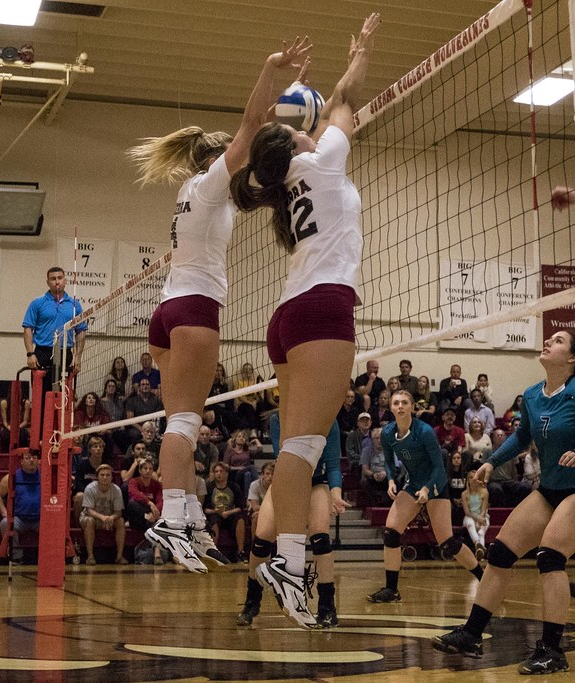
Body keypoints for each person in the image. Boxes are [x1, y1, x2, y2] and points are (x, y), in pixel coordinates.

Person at [127, 34, 313, 574]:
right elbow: (252, 123)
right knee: (183, 425)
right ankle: (173, 518)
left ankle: (191, 522)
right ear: (216, 159)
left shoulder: (194, 193)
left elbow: (255, 189)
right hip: (192, 310)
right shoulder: (211, 181)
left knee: (182, 420)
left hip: (168, 312)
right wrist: (270, 69)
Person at [228, 12, 380, 627]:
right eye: (300, 133)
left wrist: (300, 109)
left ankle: (286, 559)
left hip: (292, 313)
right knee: (303, 447)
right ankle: (291, 561)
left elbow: (322, 119)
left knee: (295, 445)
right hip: (319, 311)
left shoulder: (290, 184)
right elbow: (346, 101)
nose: (309, 134)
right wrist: (361, 53)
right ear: (295, 146)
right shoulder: (323, 161)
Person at [433, 331, 575, 674]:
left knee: (550, 556)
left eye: (557, 340)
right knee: (499, 553)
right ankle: (472, 634)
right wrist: (492, 461)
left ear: (572, 358)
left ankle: (552, 650)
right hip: (549, 490)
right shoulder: (532, 395)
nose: (548, 342)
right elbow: (522, 437)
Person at [367, 390, 483, 604]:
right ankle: (391, 589)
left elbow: (440, 467)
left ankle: (484, 579)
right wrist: (391, 480)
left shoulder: (425, 431)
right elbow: (389, 463)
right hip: (413, 484)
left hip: (436, 485)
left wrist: (428, 489)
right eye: (396, 403)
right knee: (391, 532)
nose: (400, 406)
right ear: (391, 408)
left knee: (447, 542)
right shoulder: (387, 433)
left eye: (404, 402)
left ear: (411, 407)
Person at [238, 414, 346, 628]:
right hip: (288, 480)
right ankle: (252, 601)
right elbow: (286, 459)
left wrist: (336, 494)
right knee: (261, 540)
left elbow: (333, 465)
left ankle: (327, 607)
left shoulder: (329, 420)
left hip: (317, 482)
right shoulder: (278, 418)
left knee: (320, 538)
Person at [22, 266, 87, 386]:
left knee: (62, 395)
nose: (57, 281)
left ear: (65, 281)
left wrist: (78, 358)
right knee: (41, 394)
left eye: (60, 278)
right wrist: (30, 354)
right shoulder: (38, 303)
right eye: (53, 279)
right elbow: (28, 329)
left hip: (64, 353)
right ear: (48, 282)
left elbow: (81, 331)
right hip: (42, 353)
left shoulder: (74, 305)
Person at [0, 451, 41, 564]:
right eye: (28, 458)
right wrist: (4, 512)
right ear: (21, 461)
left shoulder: (46, 476)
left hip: (40, 519)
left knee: (54, 525)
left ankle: (47, 557)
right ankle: (16, 557)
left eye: (34, 458)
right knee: (5, 523)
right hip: (19, 519)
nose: (31, 460)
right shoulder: (12, 477)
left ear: (39, 461)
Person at [78, 463, 127, 565]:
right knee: (90, 521)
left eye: (108, 475)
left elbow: (119, 512)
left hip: (109, 518)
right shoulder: (90, 488)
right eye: (102, 475)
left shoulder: (117, 490)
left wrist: (110, 518)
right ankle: (90, 556)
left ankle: (119, 556)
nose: (105, 477)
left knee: (121, 521)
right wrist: (102, 517)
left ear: (112, 477)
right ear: (97, 477)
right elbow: (88, 510)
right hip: (92, 517)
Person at [204, 462, 247, 563]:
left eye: (221, 471)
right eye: (216, 471)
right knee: (214, 520)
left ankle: (240, 553)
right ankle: (214, 553)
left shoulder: (234, 486)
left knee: (240, 519)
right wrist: (216, 511)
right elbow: (205, 509)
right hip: (215, 514)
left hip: (230, 513)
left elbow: (240, 507)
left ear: (226, 473)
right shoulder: (209, 487)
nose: (218, 474)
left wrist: (228, 512)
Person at [461, 472, 490, 559]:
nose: (473, 480)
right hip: (470, 516)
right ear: (468, 480)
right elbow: (467, 512)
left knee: (481, 532)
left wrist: (479, 520)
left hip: (483, 516)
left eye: (476, 478)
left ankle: (479, 553)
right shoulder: (464, 494)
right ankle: (478, 544)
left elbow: (484, 509)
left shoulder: (484, 492)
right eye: (471, 478)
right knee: (470, 524)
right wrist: (477, 519)